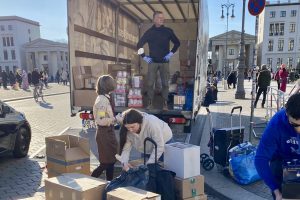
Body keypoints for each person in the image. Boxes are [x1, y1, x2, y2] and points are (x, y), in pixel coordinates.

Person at [255, 93, 300, 200]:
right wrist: (276, 191)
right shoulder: (276, 124)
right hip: (281, 161)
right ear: (286, 114)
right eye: (294, 125)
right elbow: (260, 159)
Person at [137, 11, 180, 110]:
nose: (162, 19)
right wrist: (144, 56)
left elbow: (177, 43)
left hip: (164, 62)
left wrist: (171, 53)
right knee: (150, 84)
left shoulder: (168, 31)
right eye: (159, 17)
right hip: (152, 62)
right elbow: (139, 45)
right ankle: (150, 103)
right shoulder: (149, 32)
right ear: (154, 19)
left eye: (162, 17)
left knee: (165, 83)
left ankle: (165, 103)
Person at [91, 75, 118, 181]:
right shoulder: (102, 100)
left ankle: (109, 184)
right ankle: (91, 180)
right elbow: (100, 119)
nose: (114, 83)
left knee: (110, 161)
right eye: (112, 82)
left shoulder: (105, 97)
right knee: (106, 163)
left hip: (107, 132)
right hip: (104, 133)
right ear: (108, 85)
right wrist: (114, 119)